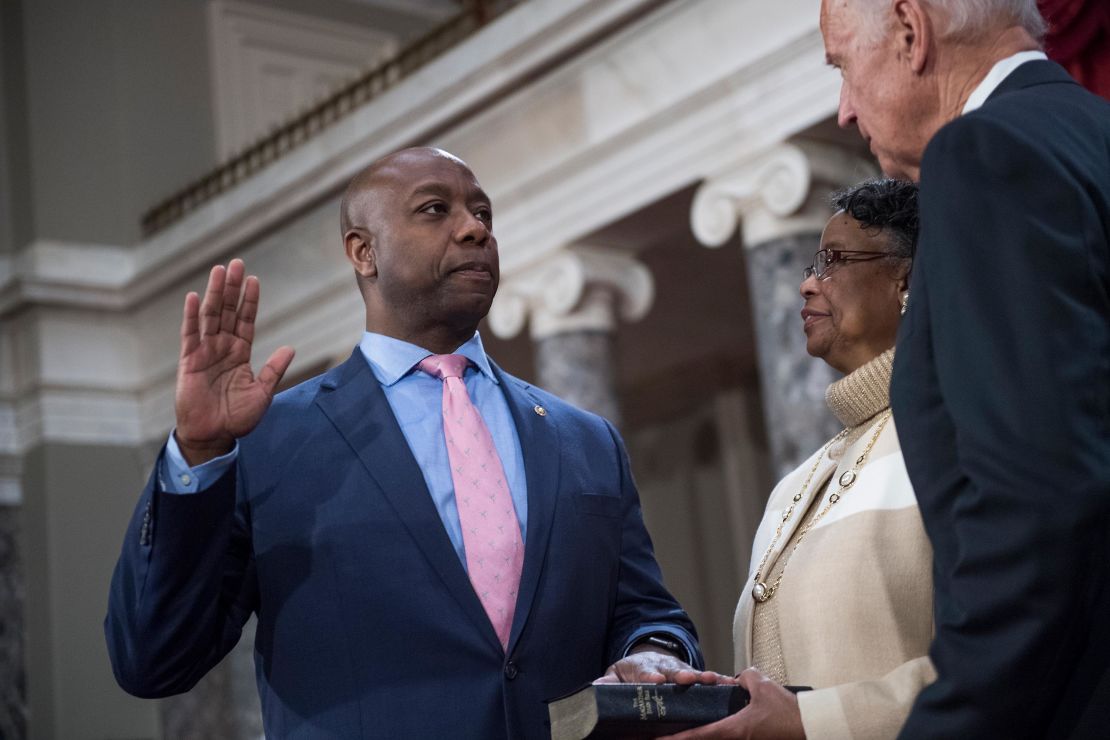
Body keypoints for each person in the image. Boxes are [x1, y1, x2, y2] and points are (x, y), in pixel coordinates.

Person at [105, 147, 709, 739]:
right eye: (434, 210)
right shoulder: (270, 441)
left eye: (483, 214)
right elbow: (155, 660)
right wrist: (200, 452)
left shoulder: (584, 438)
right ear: (363, 251)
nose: (474, 229)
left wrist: (655, 650)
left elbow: (645, 610)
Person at [820, 0, 1110, 737]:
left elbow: (1035, 502)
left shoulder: (982, 155)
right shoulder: (1090, 132)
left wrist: (950, 724)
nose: (845, 110)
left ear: (911, 32)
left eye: (844, 67)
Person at [619, 179, 934, 740]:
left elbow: (1010, 654)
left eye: (833, 260)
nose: (806, 283)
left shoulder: (956, 437)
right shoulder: (794, 486)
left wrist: (815, 722)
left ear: (905, 276)